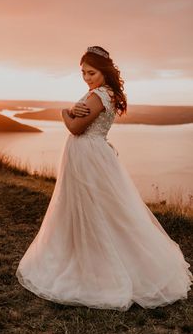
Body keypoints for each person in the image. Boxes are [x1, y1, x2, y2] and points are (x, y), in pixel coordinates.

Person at [16, 46, 193, 311]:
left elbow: (76, 128)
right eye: (83, 73)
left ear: (104, 71)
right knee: (99, 208)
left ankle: (98, 265)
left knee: (93, 209)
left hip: (88, 155)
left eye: (91, 72)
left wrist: (63, 112)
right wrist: (74, 110)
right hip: (92, 154)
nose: (86, 77)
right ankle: (90, 256)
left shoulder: (99, 95)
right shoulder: (105, 92)